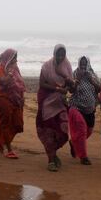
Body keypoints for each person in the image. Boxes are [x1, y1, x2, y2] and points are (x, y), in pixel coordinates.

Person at [36, 44, 74, 172]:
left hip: (60, 103)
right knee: (49, 131)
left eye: (62, 54)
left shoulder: (67, 66)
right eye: (58, 54)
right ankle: (51, 160)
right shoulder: (47, 66)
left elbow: (71, 87)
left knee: (63, 131)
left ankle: (53, 152)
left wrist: (66, 81)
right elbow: (42, 83)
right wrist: (58, 89)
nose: (60, 56)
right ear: (54, 53)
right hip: (46, 101)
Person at [0, 49, 25, 159]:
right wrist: (9, 75)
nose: (16, 60)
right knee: (5, 123)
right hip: (4, 99)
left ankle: (0, 140)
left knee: (18, 124)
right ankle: (9, 149)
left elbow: (20, 83)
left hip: (16, 99)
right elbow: (2, 81)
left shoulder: (15, 68)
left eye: (16, 57)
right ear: (8, 58)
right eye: (14, 58)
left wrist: (22, 97)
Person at [68, 56, 101, 165]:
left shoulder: (92, 74)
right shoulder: (74, 74)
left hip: (90, 108)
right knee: (81, 129)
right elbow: (71, 90)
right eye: (81, 64)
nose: (83, 66)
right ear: (78, 64)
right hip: (76, 106)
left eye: (84, 64)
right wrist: (78, 79)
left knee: (88, 131)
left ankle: (73, 142)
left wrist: (91, 80)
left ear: (88, 64)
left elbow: (100, 88)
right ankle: (83, 156)